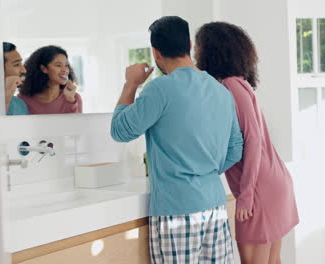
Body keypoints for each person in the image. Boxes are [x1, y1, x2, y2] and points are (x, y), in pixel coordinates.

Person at [111, 16, 243, 263]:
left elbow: (120, 131)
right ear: (190, 45)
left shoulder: (159, 89)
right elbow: (235, 149)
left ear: (155, 53)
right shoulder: (220, 90)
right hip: (214, 205)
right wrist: (203, 172)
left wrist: (130, 84)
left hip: (176, 210)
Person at [195, 21, 299, 264]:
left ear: (212, 50)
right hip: (272, 182)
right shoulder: (238, 84)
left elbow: (253, 142)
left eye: (198, 47)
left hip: (260, 188)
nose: (195, 53)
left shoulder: (231, 86)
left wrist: (246, 195)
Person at [18, 45, 82, 114]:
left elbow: (78, 124)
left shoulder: (74, 98)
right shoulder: (22, 99)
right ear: (44, 69)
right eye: (58, 65)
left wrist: (70, 101)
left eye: (66, 65)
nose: (65, 70)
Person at [3, 42, 29, 115]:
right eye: (17, 64)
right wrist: (7, 95)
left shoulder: (20, 104)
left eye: (21, 64)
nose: (24, 70)